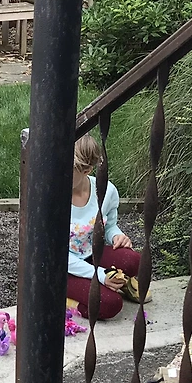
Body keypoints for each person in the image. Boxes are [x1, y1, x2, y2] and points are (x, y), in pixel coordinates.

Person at [67, 134, 140, 321]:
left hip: (91, 255)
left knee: (133, 260)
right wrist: (100, 275)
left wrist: (117, 236)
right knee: (109, 304)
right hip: (60, 267)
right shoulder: (52, 194)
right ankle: (67, 300)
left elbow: (110, 226)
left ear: (87, 170)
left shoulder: (107, 190)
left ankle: (114, 282)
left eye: (68, 170)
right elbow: (57, 255)